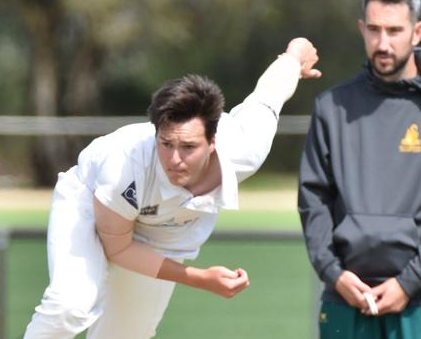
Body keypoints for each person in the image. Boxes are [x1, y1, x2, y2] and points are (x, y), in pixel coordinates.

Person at [24, 37, 321, 339]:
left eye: (189, 147)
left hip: (159, 233)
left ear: (213, 141)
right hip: (91, 202)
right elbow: (119, 247)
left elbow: (268, 95)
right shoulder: (123, 165)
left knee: (124, 335)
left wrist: (294, 55)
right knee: (69, 306)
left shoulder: (245, 148)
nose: (175, 159)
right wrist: (200, 278)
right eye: (166, 144)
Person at [298, 0, 421, 338]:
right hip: (345, 300)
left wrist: (410, 281)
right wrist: (333, 274)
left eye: (395, 30)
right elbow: (313, 201)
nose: (383, 43)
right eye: (374, 30)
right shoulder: (331, 107)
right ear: (361, 29)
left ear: (417, 33)